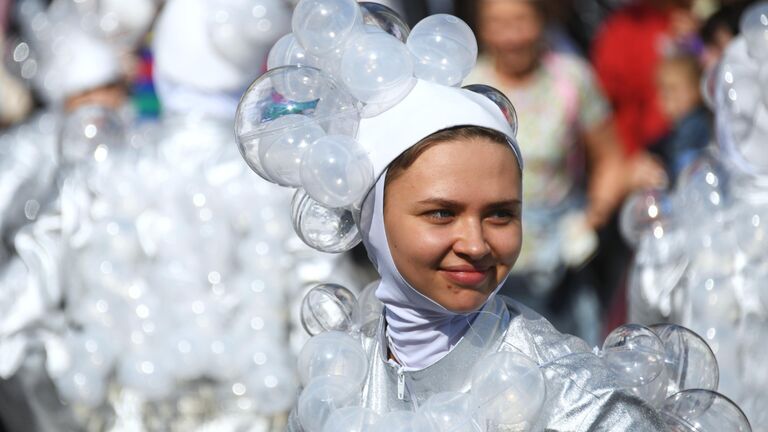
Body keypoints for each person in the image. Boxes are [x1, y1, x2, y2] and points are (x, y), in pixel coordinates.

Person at [464, 0, 659, 341]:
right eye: (497, 24)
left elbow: (610, 159)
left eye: (520, 21)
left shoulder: (571, 78)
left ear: (543, 21)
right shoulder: (468, 87)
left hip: (561, 258)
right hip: (488, 261)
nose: (510, 37)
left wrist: (592, 217)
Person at [651, 54, 712, 182]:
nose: (667, 98)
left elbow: (683, 166)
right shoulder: (682, 126)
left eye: (673, 89)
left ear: (697, 88)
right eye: (663, 90)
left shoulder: (694, 124)